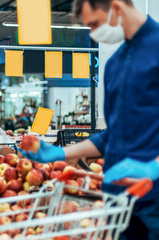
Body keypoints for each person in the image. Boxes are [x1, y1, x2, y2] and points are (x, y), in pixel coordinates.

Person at [21, 1, 159, 239]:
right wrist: (61, 153)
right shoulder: (115, 64)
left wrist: (155, 164)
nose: (94, 33)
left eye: (94, 23)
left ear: (116, 7)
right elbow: (113, 134)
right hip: (118, 200)